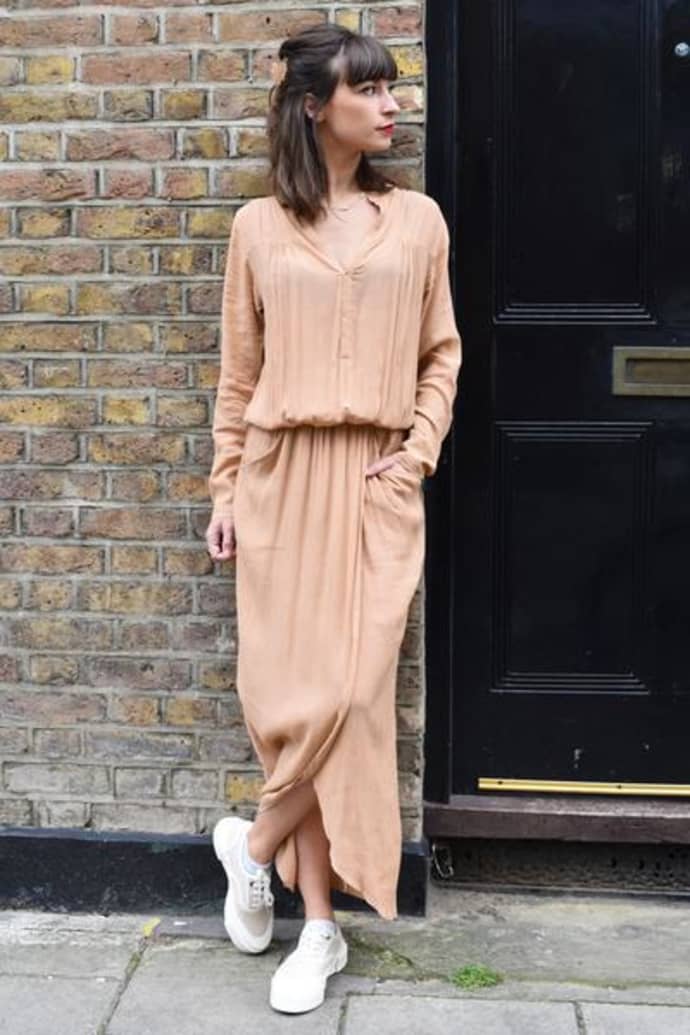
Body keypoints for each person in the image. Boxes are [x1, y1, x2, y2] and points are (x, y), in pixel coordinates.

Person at [204, 23, 462, 1016]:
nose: (394, 103)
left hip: (376, 479)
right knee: (295, 709)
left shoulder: (421, 221)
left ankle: (251, 843)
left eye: (393, 87)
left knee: (350, 698)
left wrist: (421, 449)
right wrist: (228, 491)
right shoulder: (258, 230)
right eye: (371, 89)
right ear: (318, 107)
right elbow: (239, 377)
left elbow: (441, 353)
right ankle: (318, 931)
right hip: (279, 478)